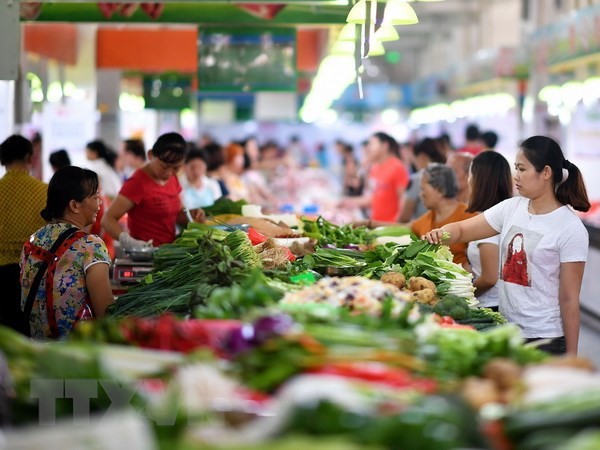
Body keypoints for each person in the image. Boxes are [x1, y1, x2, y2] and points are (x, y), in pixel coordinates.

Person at [423, 136, 590, 355]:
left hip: (545, 337)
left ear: (546, 172)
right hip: (507, 328)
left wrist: (572, 355)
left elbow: (569, 299)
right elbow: (463, 230)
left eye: (522, 169)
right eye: (515, 168)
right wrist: (440, 234)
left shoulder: (570, 228)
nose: (515, 176)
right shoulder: (511, 208)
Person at [20, 166, 114, 340]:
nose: (99, 203)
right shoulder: (90, 245)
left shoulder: (33, 241)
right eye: (95, 197)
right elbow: (106, 313)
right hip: (77, 351)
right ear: (74, 205)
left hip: (36, 349)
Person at [102, 132, 205, 250]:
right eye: (164, 166)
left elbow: (175, 214)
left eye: (176, 168)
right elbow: (107, 220)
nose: (169, 173)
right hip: (145, 256)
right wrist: (131, 243)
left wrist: (192, 215)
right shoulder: (137, 183)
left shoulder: (173, 178)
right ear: (150, 155)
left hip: (168, 252)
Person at [0, 135, 47, 333]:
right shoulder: (44, 191)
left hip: (1, 271)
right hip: (33, 271)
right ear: (29, 157)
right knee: (29, 331)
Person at [466, 151, 513, 310]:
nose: (468, 180)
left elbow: (489, 278)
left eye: (470, 173)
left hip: (489, 306)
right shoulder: (501, 215)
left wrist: (461, 293)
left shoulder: (490, 224)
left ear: (479, 180)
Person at [340, 132, 409, 222]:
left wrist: (397, 225)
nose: (368, 148)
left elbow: (404, 201)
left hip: (389, 226)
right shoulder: (375, 168)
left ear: (385, 146)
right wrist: (349, 201)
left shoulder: (398, 167)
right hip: (375, 223)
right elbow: (374, 198)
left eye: (372, 144)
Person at [400, 138, 446, 222]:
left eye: (414, 158)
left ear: (422, 156)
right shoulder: (449, 175)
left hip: (422, 229)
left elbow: (404, 217)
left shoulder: (417, 179)